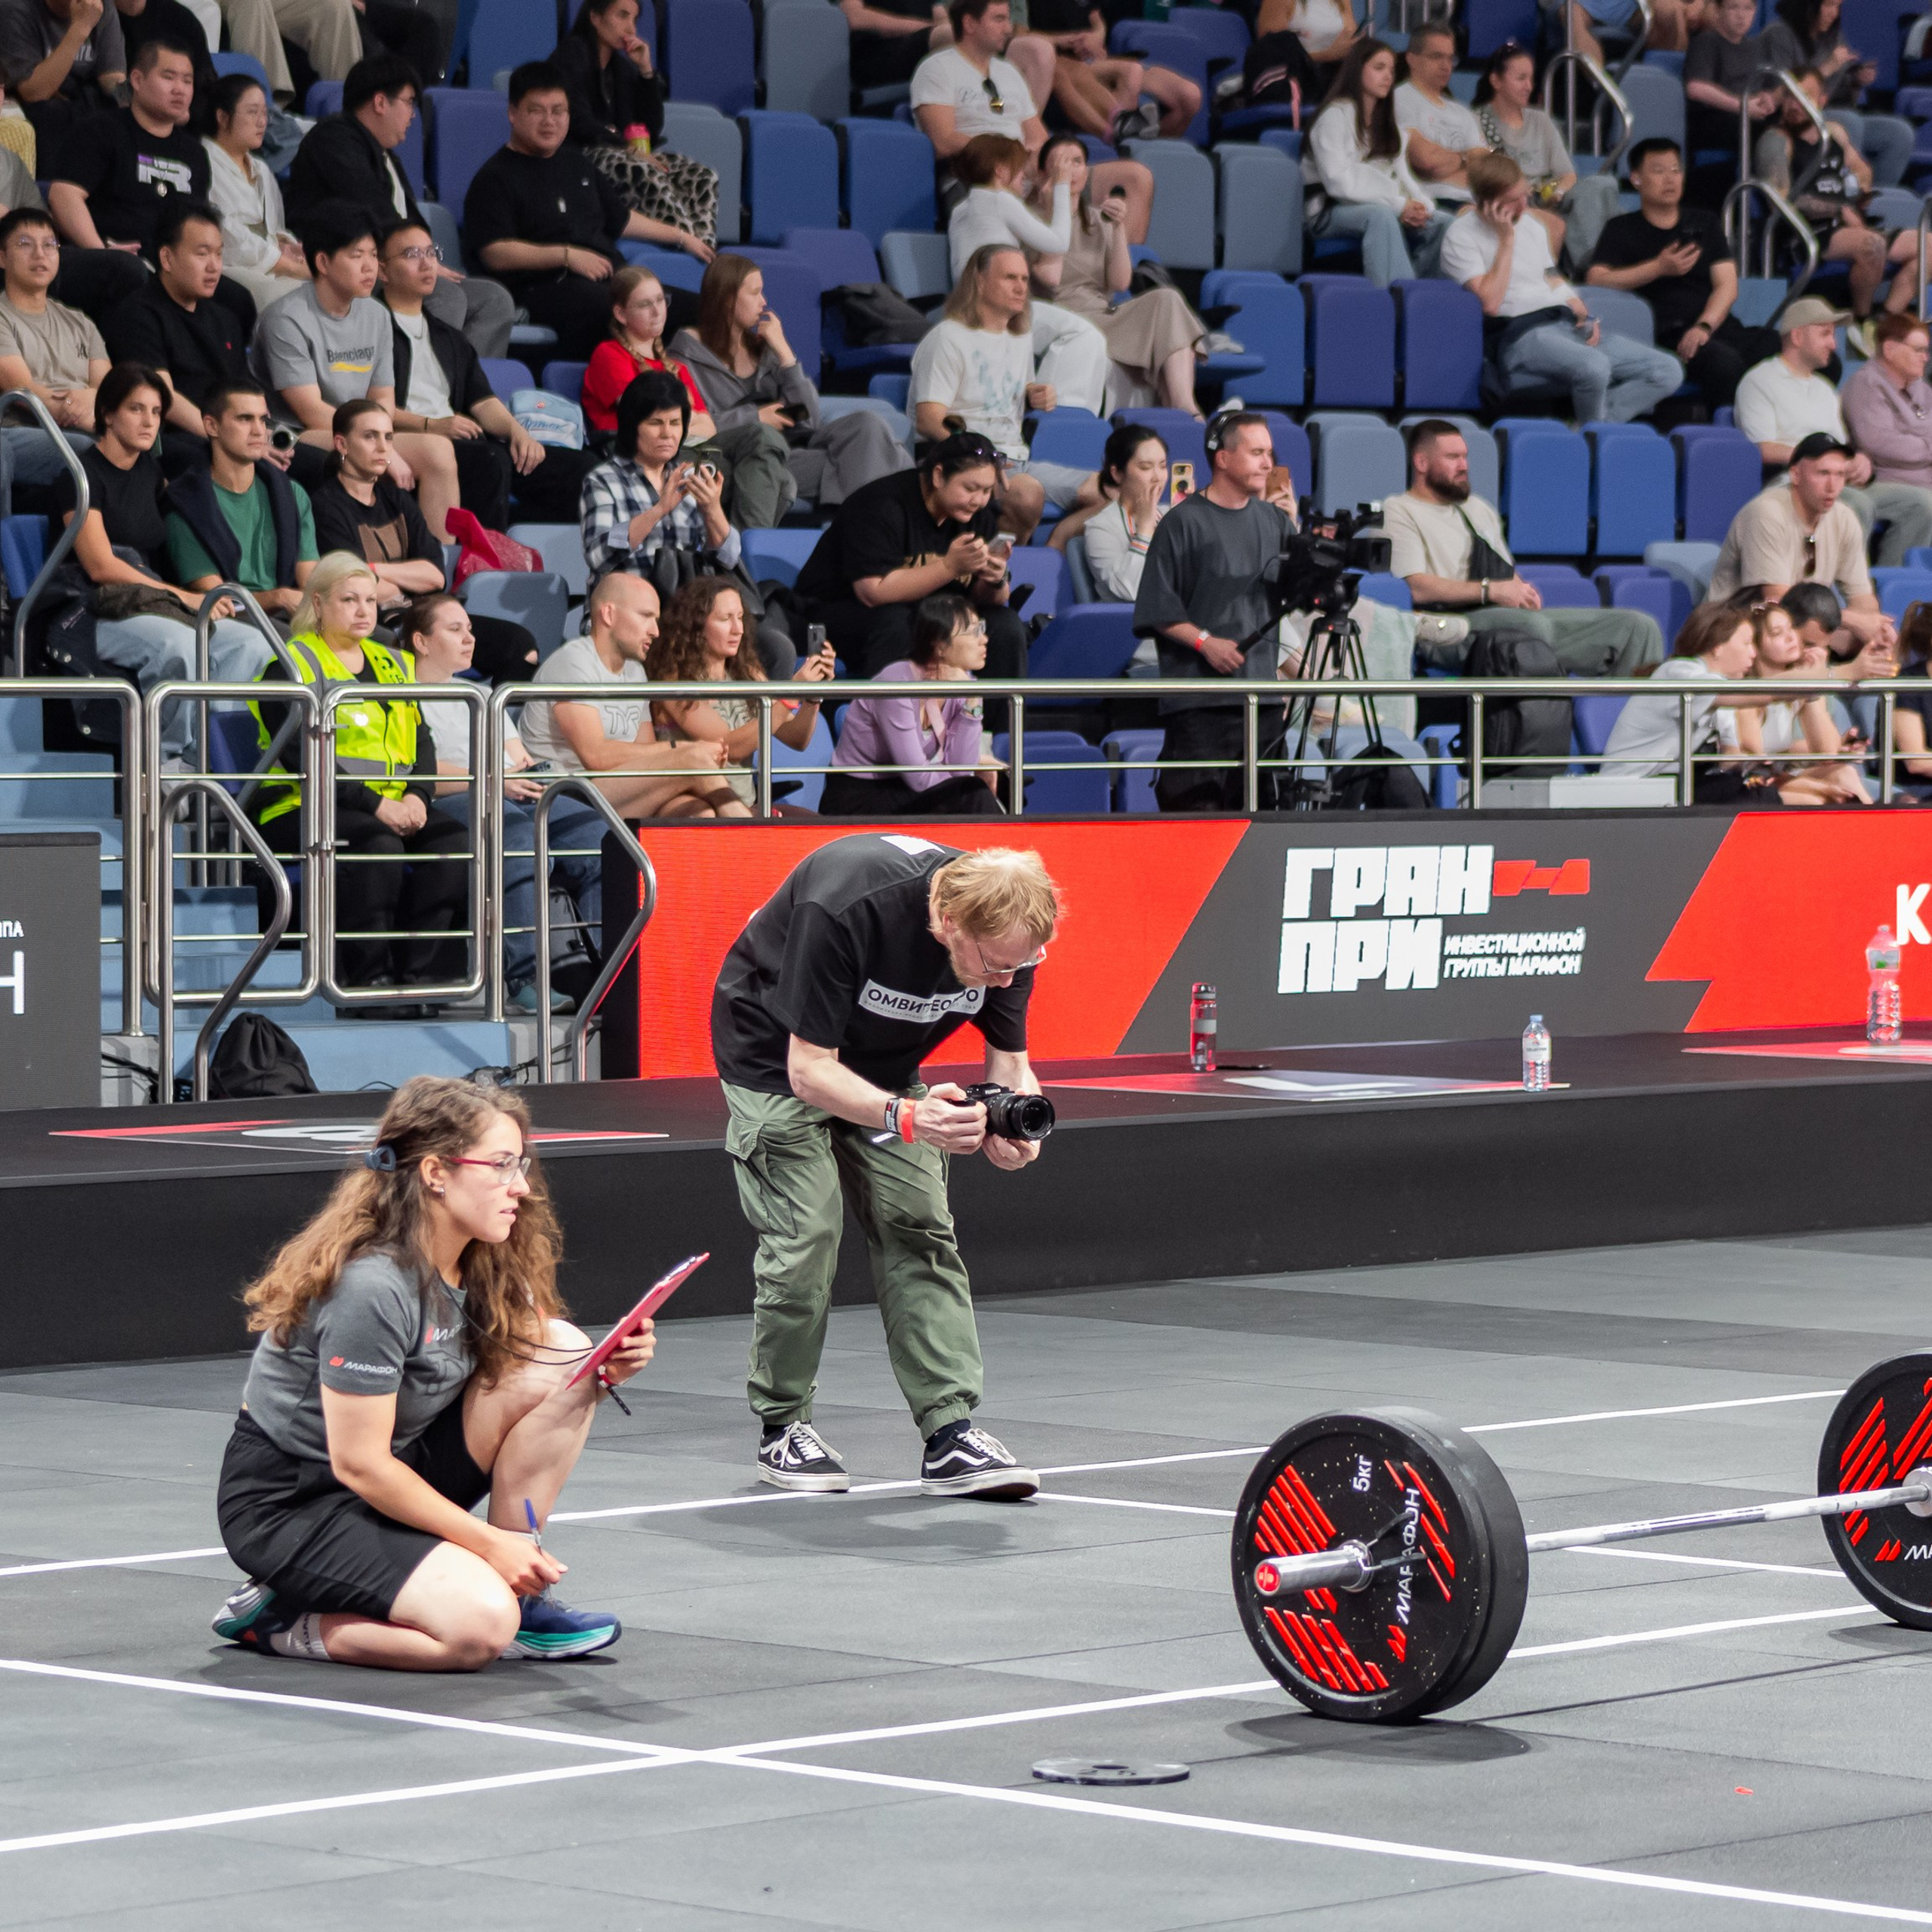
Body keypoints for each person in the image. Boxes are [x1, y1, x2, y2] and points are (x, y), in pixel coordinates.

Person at [211, 1076, 648, 1669]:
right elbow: (358, 1463)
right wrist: (487, 1544)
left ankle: (527, 1586)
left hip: (399, 1465)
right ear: (436, 1173)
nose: (520, 1186)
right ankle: (280, 1620)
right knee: (478, 1630)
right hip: (295, 1505)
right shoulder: (371, 1286)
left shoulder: (487, 1260)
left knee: (566, 1353)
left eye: (520, 1165)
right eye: (499, 1166)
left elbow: (529, 1387)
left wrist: (605, 1371)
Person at [712, 836, 1057, 1498]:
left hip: (886, 1067)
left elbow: (1010, 1062)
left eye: (1025, 964)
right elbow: (810, 1070)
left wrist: (1016, 1123)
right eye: (995, 966)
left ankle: (950, 1431)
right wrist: (907, 1117)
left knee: (919, 1223)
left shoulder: (1011, 938)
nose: (1008, 980)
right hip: (775, 1059)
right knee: (808, 1233)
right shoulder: (847, 902)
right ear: (948, 923)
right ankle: (784, 1426)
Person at [249, 550, 470, 994]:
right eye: (349, 600)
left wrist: (417, 797)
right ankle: (368, 978)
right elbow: (303, 757)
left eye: (370, 600)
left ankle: (420, 978)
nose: (364, 610)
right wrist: (377, 805)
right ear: (318, 606)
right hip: (303, 806)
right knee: (378, 845)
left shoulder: (391, 661)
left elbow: (420, 739)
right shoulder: (290, 666)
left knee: (456, 843)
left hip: (390, 804)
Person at [52, 361, 271, 759]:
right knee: (181, 645)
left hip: (146, 604)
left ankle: (209, 754)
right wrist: (182, 596)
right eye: (136, 409)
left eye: (156, 412)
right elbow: (101, 566)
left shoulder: (150, 472)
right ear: (107, 414)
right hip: (92, 610)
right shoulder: (80, 476)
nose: (149, 421)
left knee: (251, 643)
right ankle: (163, 762)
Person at [398, 592, 593, 1014]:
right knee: (518, 833)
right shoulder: (401, 695)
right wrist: (493, 780)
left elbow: (515, 754)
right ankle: (525, 975)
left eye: (469, 629)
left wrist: (530, 772)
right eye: (455, 630)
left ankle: (612, 974)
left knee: (601, 837)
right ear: (421, 641)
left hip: (512, 789)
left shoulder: (481, 693)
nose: (469, 638)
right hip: (457, 796)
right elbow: (414, 769)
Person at [465, 60, 715, 364]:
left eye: (559, 111)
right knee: (616, 311)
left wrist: (680, 236)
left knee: (704, 309)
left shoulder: (578, 164)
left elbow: (621, 219)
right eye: (537, 110)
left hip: (611, 280)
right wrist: (567, 255)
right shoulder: (494, 177)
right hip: (547, 286)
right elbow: (496, 251)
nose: (549, 121)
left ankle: (685, 394)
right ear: (513, 114)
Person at [1385, 418, 1666, 674]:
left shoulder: (1478, 508)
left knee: (1638, 628)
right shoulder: (1399, 510)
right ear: (1421, 463)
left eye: (1465, 457)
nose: (1464, 466)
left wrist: (1520, 591)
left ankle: (1622, 724)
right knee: (1531, 628)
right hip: (1446, 628)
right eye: (1452, 457)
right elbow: (1415, 587)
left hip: (1504, 619)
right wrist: (1489, 590)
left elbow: (1504, 571)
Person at [254, 202, 462, 542]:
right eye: (356, 255)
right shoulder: (286, 318)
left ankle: (439, 564)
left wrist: (379, 439)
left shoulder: (377, 315)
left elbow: (383, 399)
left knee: (439, 451)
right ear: (323, 262)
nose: (370, 266)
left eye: (373, 254)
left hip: (356, 430)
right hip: (298, 433)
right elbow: (310, 411)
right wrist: (382, 448)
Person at [286, 55, 514, 360]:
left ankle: (465, 391)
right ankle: (420, 390)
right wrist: (417, 259)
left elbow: (413, 223)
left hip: (396, 265)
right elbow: (371, 213)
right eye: (408, 103)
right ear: (381, 102)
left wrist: (425, 257)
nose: (413, 115)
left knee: (493, 301)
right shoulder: (333, 139)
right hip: (354, 269)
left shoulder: (386, 155)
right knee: (443, 297)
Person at [379, 215, 595, 530]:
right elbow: (372, 407)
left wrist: (517, 432)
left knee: (582, 470)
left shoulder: (448, 336)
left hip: (462, 440)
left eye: (431, 253)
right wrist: (436, 425)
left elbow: (483, 401)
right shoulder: (373, 328)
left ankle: (535, 552)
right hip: (415, 441)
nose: (427, 265)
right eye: (412, 255)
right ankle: (485, 563)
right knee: (491, 463)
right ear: (382, 269)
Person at [1131, 411, 1299, 812]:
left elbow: (1296, 594)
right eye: (1257, 452)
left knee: (1266, 827)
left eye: (1269, 453)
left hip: (1264, 702)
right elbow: (1156, 606)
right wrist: (1205, 643)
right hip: (1200, 705)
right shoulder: (1181, 523)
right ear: (1222, 458)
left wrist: (1301, 539)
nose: (1267, 463)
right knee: (1198, 824)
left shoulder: (1276, 521)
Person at [1443, 152, 1683, 423]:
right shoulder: (1460, 235)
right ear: (1487, 204)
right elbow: (1490, 303)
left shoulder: (1532, 225)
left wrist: (1575, 303)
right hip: (1518, 333)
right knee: (1595, 367)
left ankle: (1588, 430)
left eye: (1524, 195)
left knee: (1668, 370)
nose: (1524, 205)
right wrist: (1507, 240)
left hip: (1563, 323)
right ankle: (1595, 440)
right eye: (1513, 200)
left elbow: (1551, 276)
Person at [308, 398, 537, 683]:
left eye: (388, 437)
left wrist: (375, 570)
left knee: (520, 646)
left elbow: (435, 576)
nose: (383, 447)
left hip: (425, 614)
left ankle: (491, 726)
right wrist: (399, 577)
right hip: (379, 621)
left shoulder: (398, 499)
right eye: (370, 436)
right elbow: (353, 585)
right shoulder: (326, 506)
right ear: (342, 445)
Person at [671, 254, 909, 525]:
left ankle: (862, 533)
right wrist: (757, 417)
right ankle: (870, 536)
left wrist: (785, 354)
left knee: (868, 426)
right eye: (755, 293)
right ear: (728, 299)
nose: (764, 302)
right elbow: (691, 429)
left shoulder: (764, 347)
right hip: (748, 458)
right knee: (887, 459)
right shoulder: (684, 359)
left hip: (795, 447)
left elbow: (809, 420)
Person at [794, 430, 1026, 682]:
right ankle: (893, 718)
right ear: (938, 476)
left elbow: (987, 599)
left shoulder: (977, 516)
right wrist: (949, 567)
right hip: (841, 612)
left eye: (987, 491)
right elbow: (872, 593)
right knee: (900, 622)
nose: (978, 501)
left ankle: (997, 722)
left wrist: (995, 579)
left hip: (928, 612)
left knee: (1005, 625)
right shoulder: (879, 505)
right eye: (970, 488)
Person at [909, 0, 1152, 240]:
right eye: (999, 19)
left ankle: (1124, 271)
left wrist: (1050, 163)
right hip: (978, 174)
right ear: (970, 23)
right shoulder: (937, 69)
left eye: (1008, 19)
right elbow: (943, 141)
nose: (1008, 28)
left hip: (1026, 173)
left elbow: (1038, 136)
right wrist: (1011, 154)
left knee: (1135, 177)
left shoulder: (1009, 73)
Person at [909, 245, 1101, 541]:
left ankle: (1055, 545)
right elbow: (929, 419)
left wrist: (1035, 393)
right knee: (1026, 495)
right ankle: (997, 569)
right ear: (980, 281)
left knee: (1113, 490)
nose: (1021, 287)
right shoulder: (948, 338)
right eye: (1010, 278)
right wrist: (983, 457)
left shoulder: (1019, 336)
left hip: (1017, 459)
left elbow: (1007, 390)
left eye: (1025, 279)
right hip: (964, 461)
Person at [515, 568, 738, 823]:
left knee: (697, 812)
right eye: (646, 616)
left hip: (614, 786)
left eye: (656, 619)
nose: (656, 630)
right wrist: (681, 750)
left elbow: (646, 750)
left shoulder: (635, 671)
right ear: (609, 614)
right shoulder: (573, 662)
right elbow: (595, 756)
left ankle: (726, 851)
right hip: (563, 793)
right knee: (693, 759)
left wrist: (679, 756)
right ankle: (756, 839)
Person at [1586, 136, 1781, 408]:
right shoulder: (1621, 229)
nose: (1670, 179)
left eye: (1676, 170)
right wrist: (1658, 268)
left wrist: (1704, 326)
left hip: (1714, 326)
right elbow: (1596, 279)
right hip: (1668, 333)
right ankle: (1724, 436)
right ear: (1636, 178)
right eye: (1658, 171)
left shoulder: (1705, 222)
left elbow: (1727, 285)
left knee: (1776, 346)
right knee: (1724, 364)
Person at [1735, 299, 1932, 564]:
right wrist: (1819, 458)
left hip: (1841, 481)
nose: (1834, 344)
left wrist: (1858, 459)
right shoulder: (1760, 380)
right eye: (1825, 334)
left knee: (1921, 505)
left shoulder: (1825, 389)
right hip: (1792, 481)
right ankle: (1847, 590)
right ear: (1797, 336)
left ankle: (1890, 587)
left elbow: (1844, 445)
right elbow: (1761, 448)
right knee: (1856, 505)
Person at [1025, 133, 1206, 416]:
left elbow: (1121, 282)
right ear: (1044, 171)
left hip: (1105, 313)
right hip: (1064, 317)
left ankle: (1185, 406)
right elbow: (1051, 279)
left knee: (1167, 299)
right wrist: (1055, 208)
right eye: (1061, 162)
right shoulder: (1030, 218)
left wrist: (1119, 228)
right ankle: (1176, 412)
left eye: (1078, 162)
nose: (1070, 170)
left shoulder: (1098, 218)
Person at [943, 139, 1110, 419]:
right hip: (996, 308)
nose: (1024, 177)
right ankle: (1057, 420)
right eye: (1019, 170)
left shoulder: (961, 208)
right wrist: (1060, 186)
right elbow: (1057, 242)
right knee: (1084, 335)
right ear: (1000, 171)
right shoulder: (999, 200)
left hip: (967, 306)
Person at [1754, 68, 1925, 340]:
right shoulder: (1776, 141)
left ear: (1821, 100)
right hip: (1807, 231)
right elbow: (1780, 204)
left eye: (1803, 97)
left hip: (1849, 224)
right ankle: (1861, 320)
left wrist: (1860, 185)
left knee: (1928, 246)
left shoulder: (1833, 132)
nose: (1795, 105)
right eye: (1790, 97)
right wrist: (1838, 209)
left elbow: (1861, 168)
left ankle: (1884, 321)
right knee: (1872, 245)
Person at [645, 574, 834, 817]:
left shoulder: (747, 672)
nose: (738, 629)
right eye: (725, 619)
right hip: (695, 804)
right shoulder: (674, 679)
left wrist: (811, 695)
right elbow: (729, 747)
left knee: (816, 827)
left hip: (745, 805)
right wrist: (791, 695)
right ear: (697, 626)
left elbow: (797, 738)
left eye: (741, 618)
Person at [1706, 432, 1901, 650]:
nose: (1832, 486)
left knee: (1869, 646)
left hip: (1801, 631)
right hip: (1737, 633)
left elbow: (1862, 598)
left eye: (1840, 475)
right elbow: (1779, 603)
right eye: (1823, 473)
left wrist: (1873, 629)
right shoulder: (1766, 513)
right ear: (1796, 474)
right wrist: (1854, 621)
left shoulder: (1845, 518)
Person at [822, 591, 1005, 817]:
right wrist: (967, 776)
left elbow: (961, 768)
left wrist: (973, 699)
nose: (984, 639)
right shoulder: (896, 684)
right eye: (974, 632)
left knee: (974, 791)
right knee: (973, 793)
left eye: (982, 628)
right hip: (858, 798)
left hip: (907, 790)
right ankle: (1003, 850)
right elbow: (919, 779)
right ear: (940, 645)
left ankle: (997, 849)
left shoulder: (965, 682)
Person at [552, 0, 716, 245]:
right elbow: (577, 119)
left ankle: (704, 247)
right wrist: (628, 148)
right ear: (595, 17)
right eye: (622, 16)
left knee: (701, 175)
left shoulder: (622, 69)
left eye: (634, 20)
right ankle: (685, 245)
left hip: (625, 153)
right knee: (645, 170)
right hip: (581, 157)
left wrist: (646, 71)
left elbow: (651, 126)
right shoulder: (571, 54)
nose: (631, 28)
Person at [102, 200, 249, 471]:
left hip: (226, 433)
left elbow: (241, 391)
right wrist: (225, 439)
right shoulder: (138, 314)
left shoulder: (226, 318)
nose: (214, 266)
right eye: (203, 254)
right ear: (167, 258)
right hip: (174, 438)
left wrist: (254, 434)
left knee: (310, 462)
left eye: (219, 254)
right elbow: (163, 397)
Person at [165, 379, 317, 620]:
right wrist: (279, 597)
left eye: (263, 420)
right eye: (245, 419)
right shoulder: (185, 504)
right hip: (234, 625)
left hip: (293, 616)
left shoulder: (292, 494)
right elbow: (217, 600)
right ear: (212, 426)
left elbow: (311, 582)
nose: (259, 430)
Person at [1303, 39, 1451, 289]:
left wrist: (1420, 206)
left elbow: (1403, 176)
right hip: (1328, 211)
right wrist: (1398, 206)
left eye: (1392, 71)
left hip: (1385, 204)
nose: (1388, 77)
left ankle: (1425, 296)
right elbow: (1340, 183)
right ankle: (1399, 301)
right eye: (1379, 68)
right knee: (1380, 216)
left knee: (1445, 223)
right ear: (1358, 70)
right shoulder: (1334, 117)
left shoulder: (1387, 123)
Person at [1598, 598, 1783, 797]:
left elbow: (1730, 759)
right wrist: (1803, 679)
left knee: (1759, 791)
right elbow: (1757, 695)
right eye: (1747, 644)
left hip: (1672, 783)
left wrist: (1755, 770)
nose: (1753, 654)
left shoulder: (1721, 693)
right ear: (1717, 646)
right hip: (1631, 786)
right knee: (1760, 798)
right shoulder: (1677, 672)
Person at [1472, 41, 1623, 269]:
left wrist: (1555, 191)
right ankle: (1589, 265)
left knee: (1604, 184)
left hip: (1547, 193)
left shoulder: (1540, 120)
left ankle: (1601, 261)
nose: (1529, 86)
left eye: (1531, 79)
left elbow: (1568, 174)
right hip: (1512, 197)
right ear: (1496, 81)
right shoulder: (1477, 121)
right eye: (1521, 78)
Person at [0, 203, 99, 511]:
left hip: (87, 421)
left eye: (50, 245)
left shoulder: (81, 322)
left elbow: (111, 387)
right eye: (25, 244)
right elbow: (20, 391)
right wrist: (82, 409)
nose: (40, 254)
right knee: (93, 452)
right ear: (1, 258)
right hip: (23, 428)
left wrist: (102, 409)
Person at [1733, 589, 1872, 801]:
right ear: (1757, 644)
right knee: (1819, 800)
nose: (1791, 638)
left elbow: (1826, 753)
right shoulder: (1749, 695)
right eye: (1777, 633)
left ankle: (1880, 832)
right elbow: (1756, 768)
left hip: (1778, 777)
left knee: (1845, 774)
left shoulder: (1798, 688)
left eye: (1791, 629)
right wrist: (1819, 788)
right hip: (1748, 784)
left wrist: (1812, 685)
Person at [1018, 0, 1201, 146]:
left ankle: (1146, 150)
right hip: (1060, 60)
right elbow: (1018, 37)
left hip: (1095, 60)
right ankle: (1122, 142)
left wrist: (1096, 37)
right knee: (1131, 72)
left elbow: (1097, 21)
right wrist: (1067, 41)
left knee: (1190, 96)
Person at [202, 70, 306, 319]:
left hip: (270, 262)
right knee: (289, 299)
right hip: (231, 265)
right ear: (223, 117)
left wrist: (287, 244)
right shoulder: (204, 162)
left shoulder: (261, 168)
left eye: (264, 113)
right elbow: (228, 235)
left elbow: (275, 227)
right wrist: (290, 266)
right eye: (252, 112)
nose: (262, 122)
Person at [581, 263, 712, 443]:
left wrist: (674, 425)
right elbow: (643, 415)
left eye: (660, 300)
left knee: (753, 435)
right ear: (621, 314)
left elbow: (710, 428)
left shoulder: (677, 368)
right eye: (645, 305)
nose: (657, 312)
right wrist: (690, 418)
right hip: (634, 454)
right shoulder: (609, 354)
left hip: (679, 449)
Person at [0, 0, 123, 178]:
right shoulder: (16, 8)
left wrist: (137, 103)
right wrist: (80, 28)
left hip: (81, 101)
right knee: (54, 114)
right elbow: (34, 92)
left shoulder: (103, 6)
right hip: (36, 107)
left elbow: (112, 79)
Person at [1066, 421, 1165, 599]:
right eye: (1146, 467)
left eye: (1163, 466)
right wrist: (1145, 529)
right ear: (1117, 473)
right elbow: (1129, 590)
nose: (1158, 477)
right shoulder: (1101, 527)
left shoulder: (1173, 515)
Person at [1393, 23, 1487, 208]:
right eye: (1436, 57)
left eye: (1450, 58)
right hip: (1432, 201)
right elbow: (1426, 162)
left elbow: (1486, 165)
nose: (1446, 66)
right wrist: (1466, 158)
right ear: (1411, 59)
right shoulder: (1400, 98)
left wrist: (1446, 162)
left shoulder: (1461, 111)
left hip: (1477, 199)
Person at [1684, 0, 1777, 182]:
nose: (1741, 15)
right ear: (1718, 11)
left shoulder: (1755, 47)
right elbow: (1695, 88)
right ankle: (1774, 198)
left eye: (1748, 8)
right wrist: (1742, 106)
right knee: (1768, 133)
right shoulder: (1706, 42)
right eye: (1734, 7)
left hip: (1747, 118)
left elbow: (1763, 88)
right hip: (1713, 120)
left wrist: (1767, 99)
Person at [1844, 312, 1932, 491]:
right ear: (1889, 349)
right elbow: (1879, 443)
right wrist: (1927, 445)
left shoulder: (1922, 388)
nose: (1925, 358)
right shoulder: (1865, 384)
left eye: (1926, 351)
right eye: (1918, 350)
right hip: (1897, 485)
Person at [1255, 0, 1360, 68]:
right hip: (1298, 78)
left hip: (1337, 72)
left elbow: (1350, 34)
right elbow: (1269, 54)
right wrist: (1325, 55)